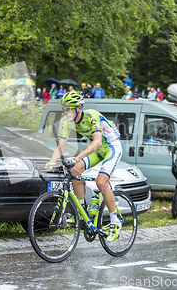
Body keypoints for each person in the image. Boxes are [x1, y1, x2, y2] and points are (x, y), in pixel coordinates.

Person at [45, 91, 123, 241]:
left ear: (79, 108)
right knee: (74, 170)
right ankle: (82, 213)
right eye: (64, 109)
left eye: (69, 108)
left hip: (112, 147)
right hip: (99, 150)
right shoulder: (66, 122)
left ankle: (115, 221)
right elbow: (60, 146)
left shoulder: (90, 115)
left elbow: (97, 142)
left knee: (101, 182)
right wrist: (51, 162)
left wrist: (77, 157)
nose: (66, 112)